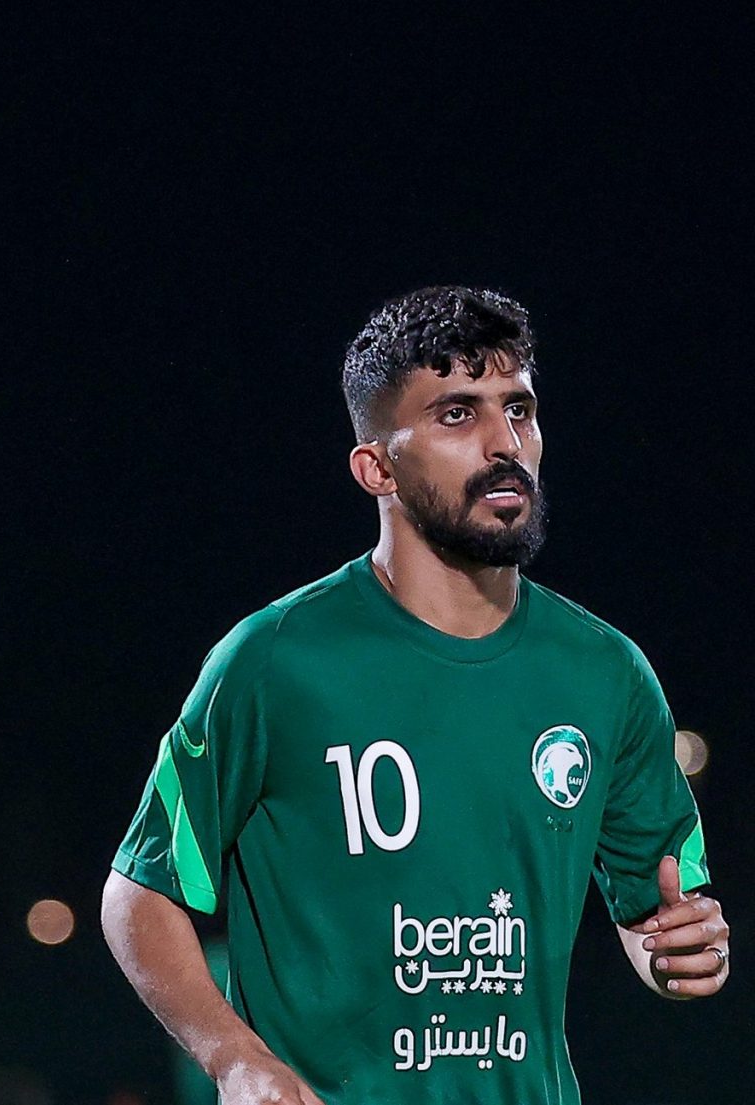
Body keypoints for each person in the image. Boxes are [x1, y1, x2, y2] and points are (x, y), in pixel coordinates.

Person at [103, 286, 728, 1104]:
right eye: (457, 415)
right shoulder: (275, 660)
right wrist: (236, 1060)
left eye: (519, 409)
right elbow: (139, 892)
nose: (505, 443)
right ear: (377, 467)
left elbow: (660, 920)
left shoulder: (605, 672)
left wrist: (681, 951)